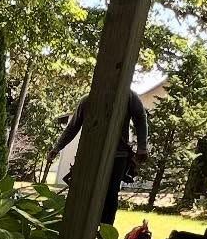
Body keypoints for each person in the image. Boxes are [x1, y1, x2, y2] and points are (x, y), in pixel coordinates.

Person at [52, 89, 150, 225]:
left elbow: (140, 118)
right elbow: (72, 127)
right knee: (82, 192)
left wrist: (142, 147)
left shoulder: (128, 96)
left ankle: (104, 233)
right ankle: (76, 227)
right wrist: (57, 148)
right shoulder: (87, 100)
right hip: (89, 156)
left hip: (118, 156)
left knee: (110, 194)